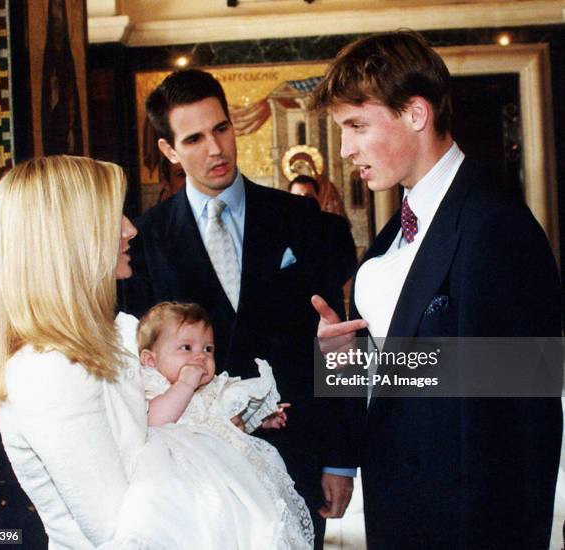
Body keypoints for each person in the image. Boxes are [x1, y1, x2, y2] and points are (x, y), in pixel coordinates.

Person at [309, 31, 562, 549]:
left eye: (356, 125)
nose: (344, 149)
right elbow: (410, 371)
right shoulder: (399, 227)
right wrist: (343, 361)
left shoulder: (493, 225)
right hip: (400, 509)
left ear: (416, 114)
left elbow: (525, 392)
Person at [122, 68, 357, 546]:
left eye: (221, 129)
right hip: (197, 472)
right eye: (194, 138)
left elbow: (337, 345)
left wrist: (338, 457)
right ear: (169, 150)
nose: (215, 149)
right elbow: (138, 369)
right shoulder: (145, 242)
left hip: (300, 452)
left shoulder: (301, 220)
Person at [0, 156, 145, 548]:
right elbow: (121, 534)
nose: (131, 229)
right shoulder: (48, 371)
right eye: (114, 215)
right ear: (69, 239)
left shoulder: (92, 343)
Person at [115, 301, 313, 548]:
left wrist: (258, 420)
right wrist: (184, 386)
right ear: (150, 360)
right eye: (186, 348)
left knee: (256, 524)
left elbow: (228, 426)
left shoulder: (216, 389)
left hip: (233, 480)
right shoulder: (152, 387)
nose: (200, 356)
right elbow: (154, 421)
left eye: (208, 349)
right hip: (187, 487)